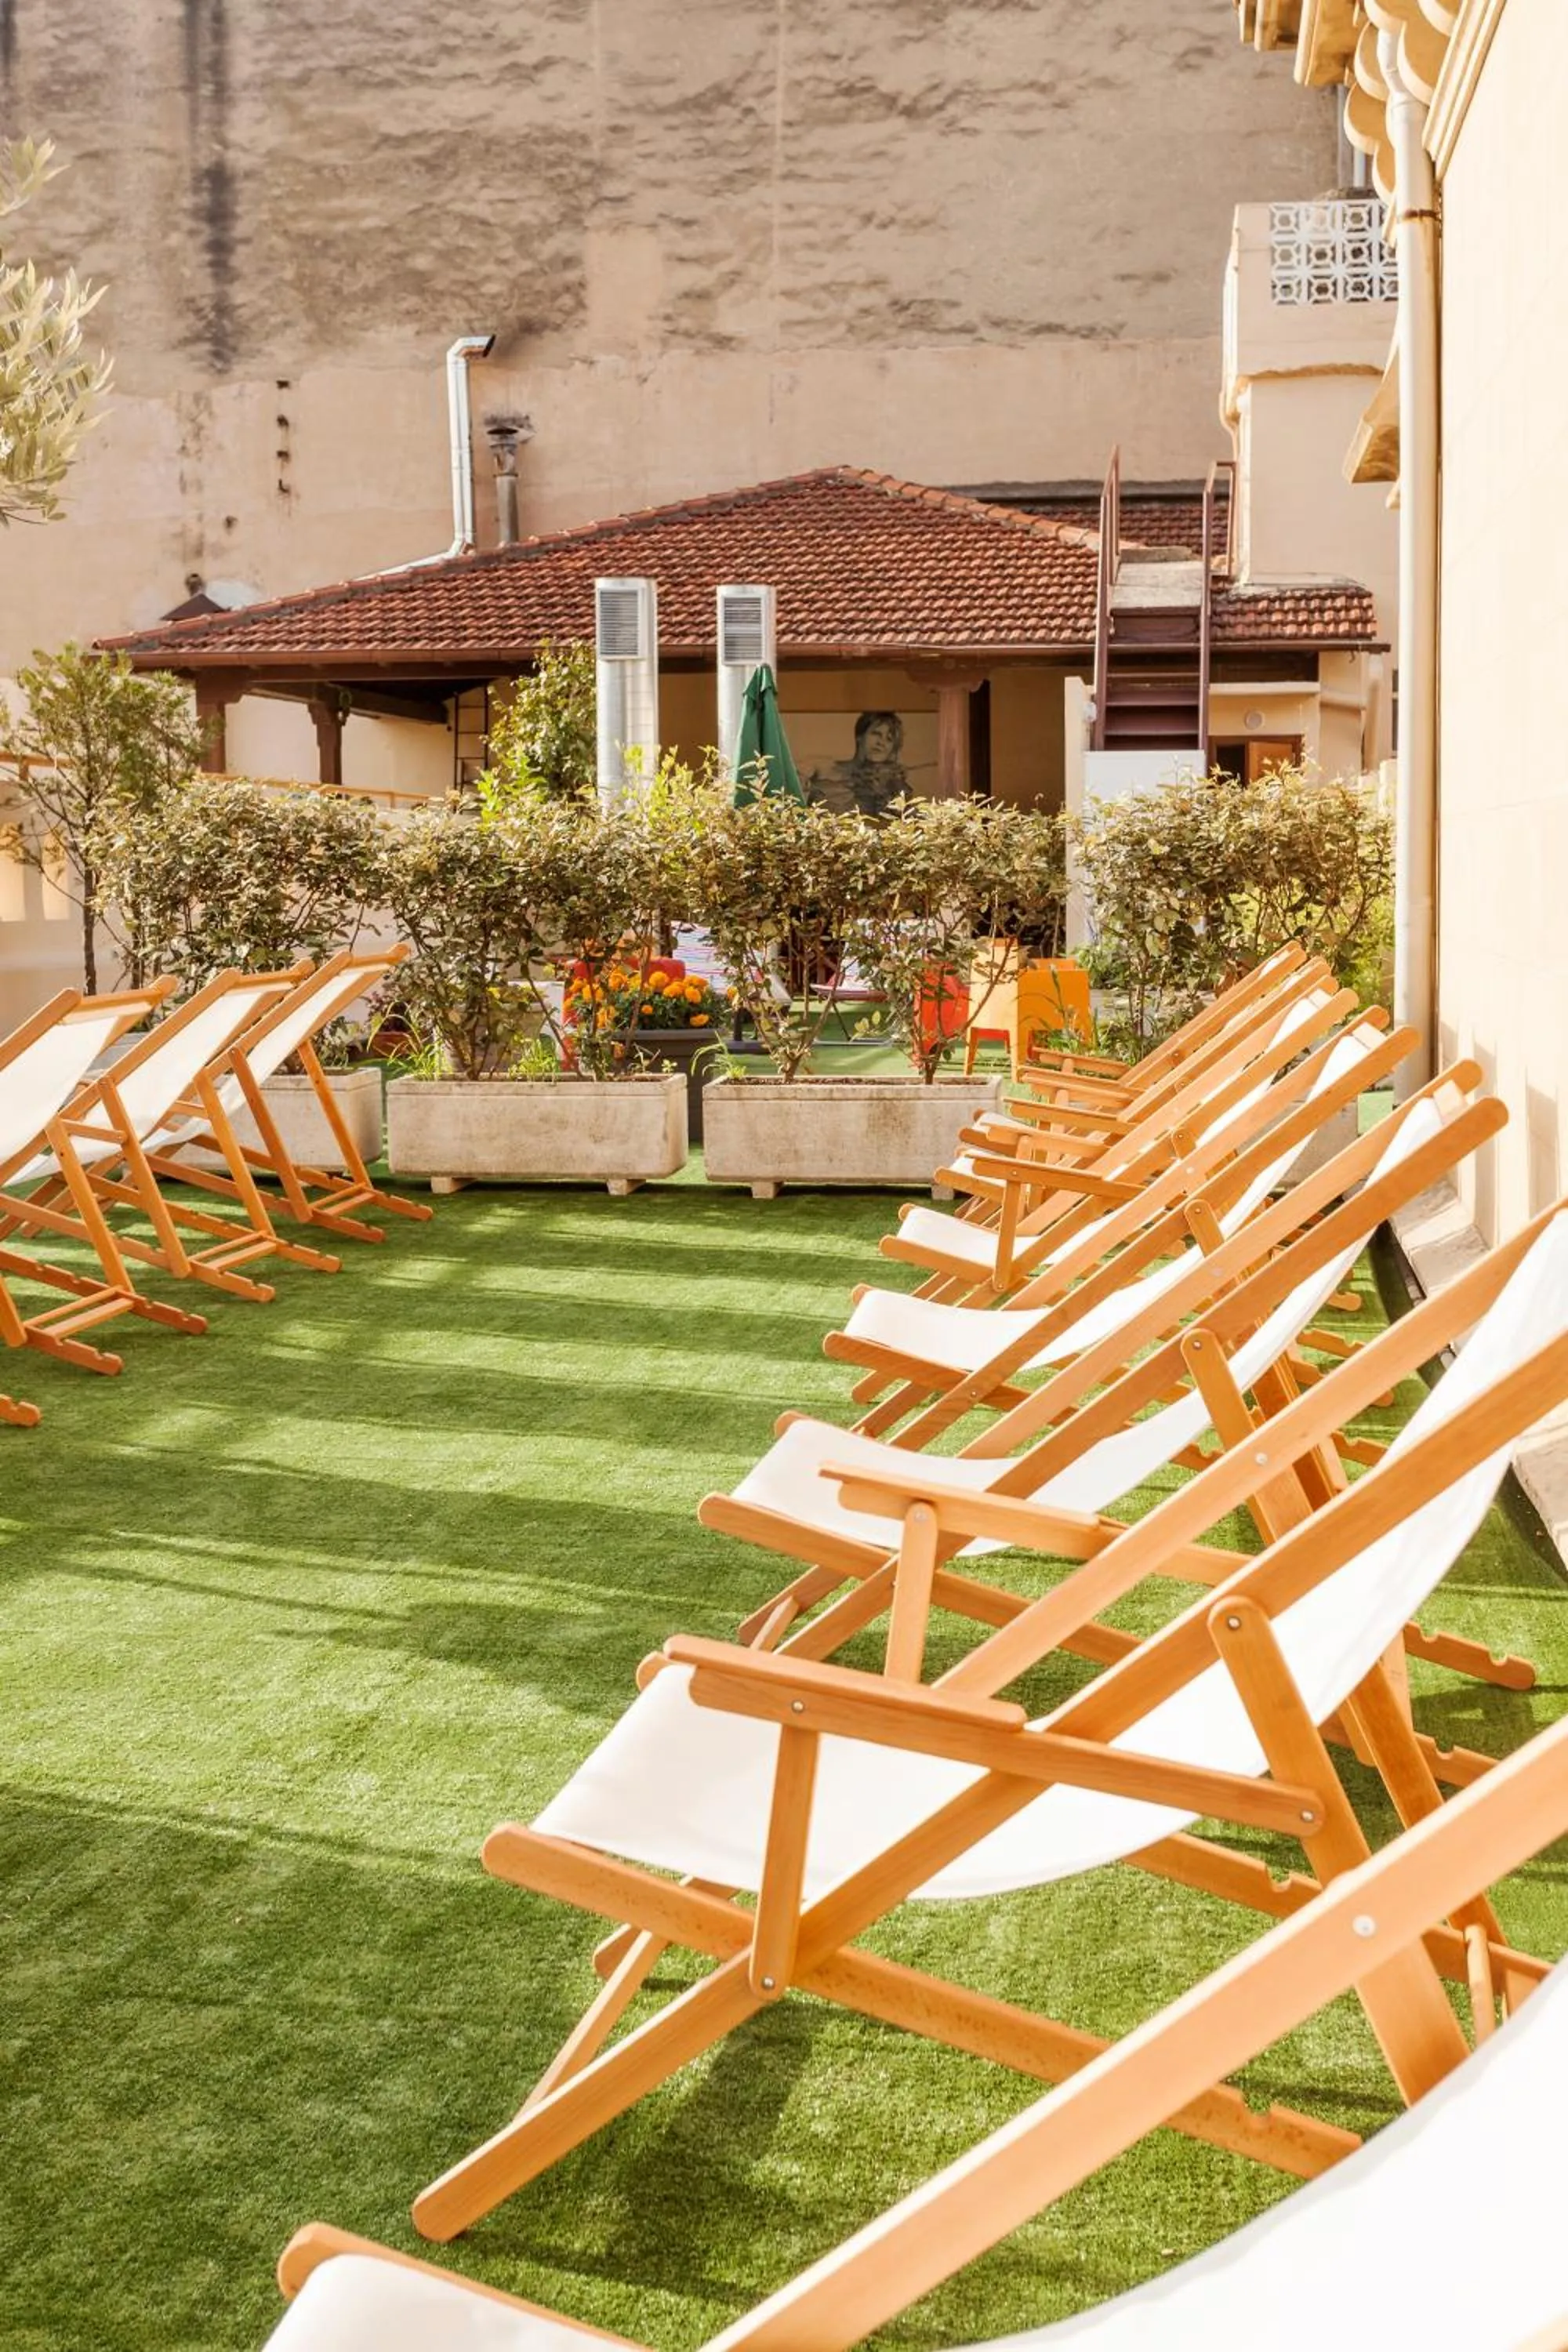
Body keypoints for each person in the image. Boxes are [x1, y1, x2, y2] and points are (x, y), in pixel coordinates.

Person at [807, 709, 909, 817]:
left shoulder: (894, 785)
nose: (881, 743)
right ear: (860, 736)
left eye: (889, 739)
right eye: (876, 734)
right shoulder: (824, 769)